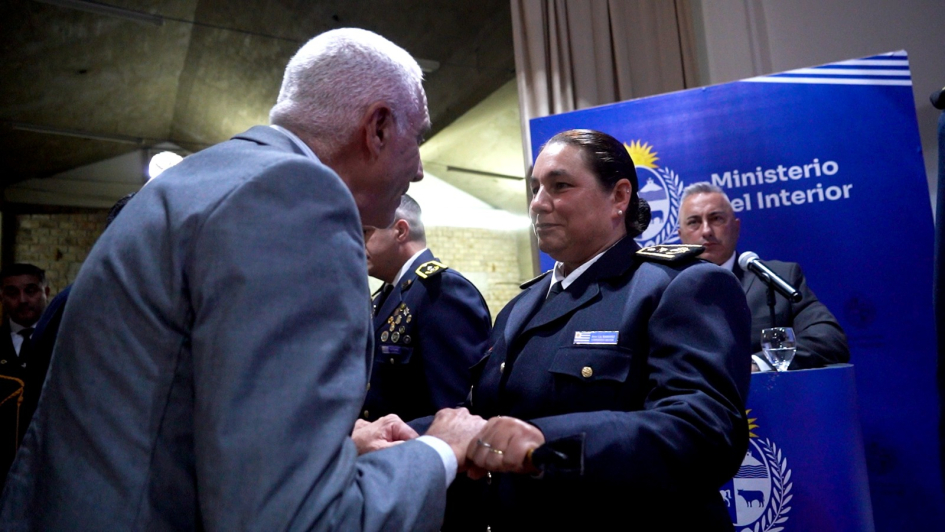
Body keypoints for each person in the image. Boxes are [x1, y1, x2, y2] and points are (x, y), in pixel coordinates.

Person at [0, 28, 484, 531]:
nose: (421, 170)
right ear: (378, 128)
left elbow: (168, 414)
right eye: (418, 138)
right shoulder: (297, 196)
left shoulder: (199, 180)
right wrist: (437, 451)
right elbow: (295, 521)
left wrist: (329, 445)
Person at [455, 130, 752, 530]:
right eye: (535, 188)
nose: (538, 204)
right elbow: (487, 421)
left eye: (560, 186)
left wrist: (547, 443)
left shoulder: (679, 285)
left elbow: (703, 433)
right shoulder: (519, 307)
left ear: (619, 197)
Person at [677, 182, 850, 371]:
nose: (706, 231)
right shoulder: (666, 290)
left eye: (716, 218)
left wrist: (761, 363)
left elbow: (828, 338)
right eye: (694, 222)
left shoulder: (779, 278)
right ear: (680, 235)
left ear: (736, 227)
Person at [363, 194, 491, 422]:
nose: (357, 244)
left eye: (365, 233)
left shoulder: (441, 290)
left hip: (423, 448)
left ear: (400, 231)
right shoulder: (387, 294)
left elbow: (454, 405)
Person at [0, 264, 49, 487]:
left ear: (46, 292)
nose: (22, 299)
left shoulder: (65, 342)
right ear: (1, 298)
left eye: (31, 291)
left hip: (48, 468)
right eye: (12, 293)